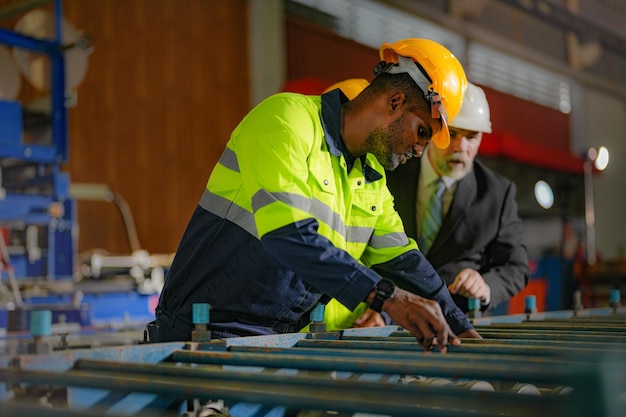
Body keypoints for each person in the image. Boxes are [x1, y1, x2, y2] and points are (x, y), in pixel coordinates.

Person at [150, 38, 482, 351]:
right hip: (204, 334)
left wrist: (459, 325)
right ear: (394, 102)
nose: (420, 148)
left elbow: (403, 260)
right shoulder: (286, 119)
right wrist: (387, 297)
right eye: (423, 131)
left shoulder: (369, 178)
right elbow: (288, 235)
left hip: (281, 340)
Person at [385, 82, 530, 313]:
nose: (461, 147)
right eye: (452, 134)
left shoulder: (497, 194)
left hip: (457, 320)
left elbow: (517, 267)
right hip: (391, 313)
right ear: (433, 129)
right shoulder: (392, 173)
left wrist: (485, 285)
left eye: (472, 137)